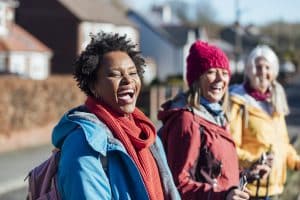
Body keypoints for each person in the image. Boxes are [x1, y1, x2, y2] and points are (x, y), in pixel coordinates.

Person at [51, 32, 180, 200]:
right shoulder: (83, 145)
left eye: (133, 73)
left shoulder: (148, 135)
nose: (128, 80)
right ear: (93, 85)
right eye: (115, 74)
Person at [157, 40, 250, 199]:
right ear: (196, 79)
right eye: (212, 72)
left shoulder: (216, 117)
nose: (220, 79)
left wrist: (246, 175)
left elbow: (214, 171)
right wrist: (223, 196)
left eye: (225, 73)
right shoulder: (186, 121)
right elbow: (178, 185)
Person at [229, 45, 300, 199]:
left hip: (274, 190)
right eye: (258, 66)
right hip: (251, 190)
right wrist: (255, 161)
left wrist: (296, 162)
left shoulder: (275, 101)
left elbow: (283, 143)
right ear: (249, 70)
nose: (263, 72)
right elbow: (231, 148)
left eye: (267, 67)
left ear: (273, 71)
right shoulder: (238, 102)